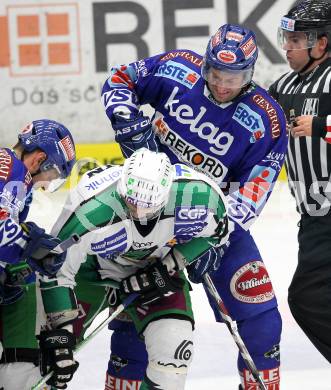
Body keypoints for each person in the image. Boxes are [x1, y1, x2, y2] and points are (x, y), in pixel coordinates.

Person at [101, 23, 288, 389]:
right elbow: (120, 79)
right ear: (204, 63)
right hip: (146, 214)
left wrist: (208, 240)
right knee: (135, 321)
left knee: (261, 319)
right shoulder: (178, 68)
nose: (222, 84)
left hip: (214, 223)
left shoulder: (268, 121)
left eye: (234, 78)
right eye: (216, 73)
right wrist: (126, 119)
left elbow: (250, 199)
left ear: (250, 75)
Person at [37, 148, 230, 390]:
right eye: (132, 203)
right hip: (89, 271)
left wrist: (171, 264)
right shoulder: (92, 207)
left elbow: (219, 232)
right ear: (121, 187)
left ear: (166, 193)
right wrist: (62, 333)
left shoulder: (197, 195)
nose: (139, 212)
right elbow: (55, 268)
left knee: (174, 358)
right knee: (46, 361)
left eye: (148, 206)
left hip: (153, 268)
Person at [269, 0, 331, 363]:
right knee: (309, 299)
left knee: (307, 297)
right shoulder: (283, 86)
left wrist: (322, 126)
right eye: (286, 38)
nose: (287, 47)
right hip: (313, 219)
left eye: (296, 39)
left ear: (321, 43)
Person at [0, 119, 77, 390]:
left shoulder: (17, 177)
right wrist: (29, 245)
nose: (48, 183)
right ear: (41, 159)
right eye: (53, 175)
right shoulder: (10, 169)